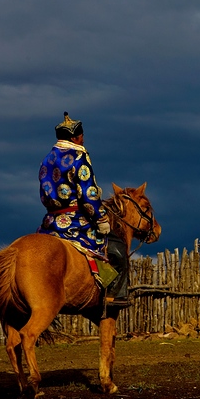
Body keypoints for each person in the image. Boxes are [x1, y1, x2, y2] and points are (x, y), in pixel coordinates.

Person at [36, 112, 130, 306]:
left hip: (50, 223)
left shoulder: (47, 158)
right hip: (77, 223)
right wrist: (101, 219)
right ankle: (114, 296)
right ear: (74, 137)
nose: (83, 139)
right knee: (117, 250)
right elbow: (88, 195)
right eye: (81, 135)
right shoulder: (79, 156)